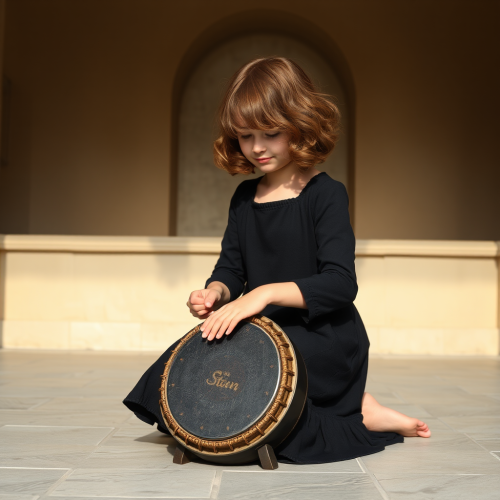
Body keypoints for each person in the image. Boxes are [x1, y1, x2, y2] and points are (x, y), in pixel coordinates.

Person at [123, 57, 430, 464]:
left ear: (301, 124)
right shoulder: (244, 199)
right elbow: (231, 267)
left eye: (271, 133)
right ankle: (349, 405)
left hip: (323, 333)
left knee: (271, 400)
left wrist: (263, 295)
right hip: (264, 326)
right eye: (246, 135)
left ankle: (360, 410)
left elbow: (341, 283)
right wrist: (215, 293)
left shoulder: (326, 194)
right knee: (180, 368)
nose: (257, 147)